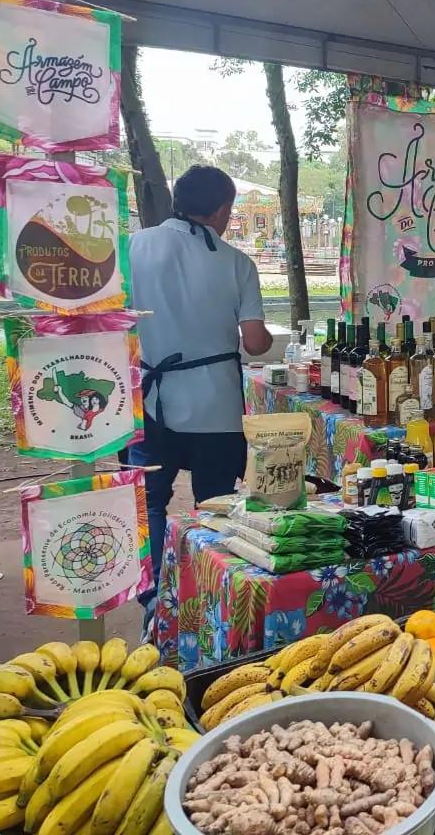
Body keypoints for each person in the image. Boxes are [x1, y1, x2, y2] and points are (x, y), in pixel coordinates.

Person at [128, 166, 272, 635]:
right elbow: (254, 343)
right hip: (214, 404)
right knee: (216, 501)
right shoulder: (237, 263)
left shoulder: (133, 245)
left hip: (148, 401)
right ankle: (208, 599)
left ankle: (152, 599)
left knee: (149, 502)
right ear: (223, 210)